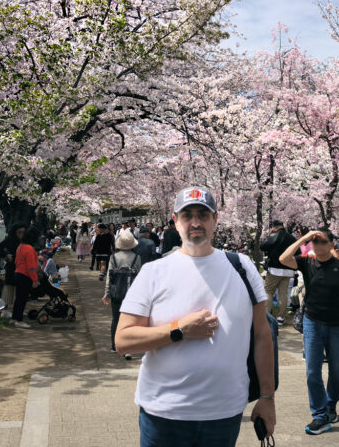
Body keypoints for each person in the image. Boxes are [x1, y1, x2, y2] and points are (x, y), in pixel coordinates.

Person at [116, 186, 275, 447]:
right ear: (175, 220)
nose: (195, 222)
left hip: (224, 414)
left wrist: (267, 398)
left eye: (203, 214)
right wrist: (178, 330)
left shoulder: (242, 267)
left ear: (215, 220)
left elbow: (262, 335)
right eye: (187, 215)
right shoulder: (154, 272)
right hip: (163, 414)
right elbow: (123, 340)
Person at [279, 227, 339, 436]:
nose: (317, 244)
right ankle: (320, 415)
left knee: (337, 369)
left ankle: (331, 404)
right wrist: (304, 238)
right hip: (312, 322)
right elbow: (283, 258)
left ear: (332, 244)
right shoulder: (307, 262)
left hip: (337, 325)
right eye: (314, 241)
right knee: (312, 371)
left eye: (322, 241)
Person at [104, 230, 142, 360]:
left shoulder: (113, 257)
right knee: (130, 321)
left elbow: (110, 276)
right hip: (132, 293)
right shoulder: (137, 258)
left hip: (116, 292)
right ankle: (128, 347)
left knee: (116, 319)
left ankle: (115, 345)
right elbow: (140, 277)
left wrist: (107, 293)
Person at [260, 220, 297, 325]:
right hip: (288, 269)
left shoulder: (273, 236)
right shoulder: (291, 238)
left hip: (274, 268)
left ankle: (266, 315)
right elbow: (297, 252)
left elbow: (262, 246)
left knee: (268, 291)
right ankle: (281, 317)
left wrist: (268, 237)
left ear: (275, 228)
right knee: (283, 293)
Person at [11, 227, 40, 329]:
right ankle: (19, 320)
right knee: (22, 299)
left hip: (18, 273)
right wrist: (35, 280)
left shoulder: (20, 246)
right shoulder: (29, 249)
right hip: (25, 276)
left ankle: (14, 318)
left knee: (18, 298)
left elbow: (16, 261)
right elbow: (31, 267)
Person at [0, 224, 26, 316]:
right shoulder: (9, 239)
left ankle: (17, 311)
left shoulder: (25, 241)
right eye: (19, 232)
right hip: (11, 267)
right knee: (8, 289)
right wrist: (6, 255)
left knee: (20, 291)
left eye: (23, 232)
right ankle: (4, 310)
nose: (21, 234)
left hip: (22, 268)